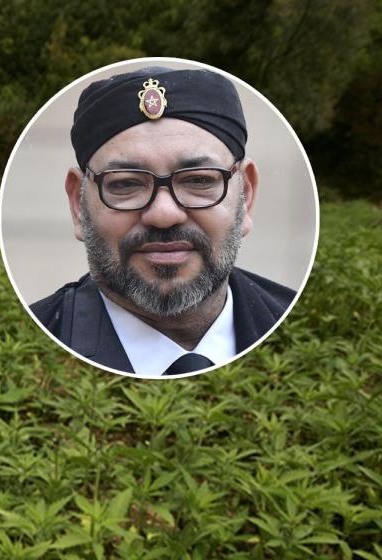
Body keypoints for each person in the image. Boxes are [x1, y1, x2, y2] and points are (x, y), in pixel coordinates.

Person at [29, 67, 295, 377]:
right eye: (126, 184)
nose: (164, 214)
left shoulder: (306, 329)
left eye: (198, 180)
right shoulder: (35, 347)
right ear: (78, 204)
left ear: (246, 195)